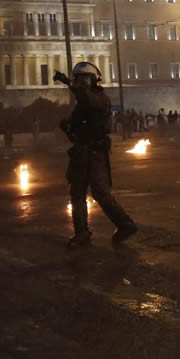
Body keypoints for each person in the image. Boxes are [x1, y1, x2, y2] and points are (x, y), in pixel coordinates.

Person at [54, 62, 137, 247]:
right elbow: (75, 118)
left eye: (84, 78)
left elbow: (87, 98)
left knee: (101, 193)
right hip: (81, 151)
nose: (81, 82)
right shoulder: (83, 102)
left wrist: (67, 81)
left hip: (95, 152)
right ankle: (81, 233)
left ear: (93, 80)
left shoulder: (100, 98)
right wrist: (66, 124)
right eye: (78, 79)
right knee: (77, 193)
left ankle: (125, 224)